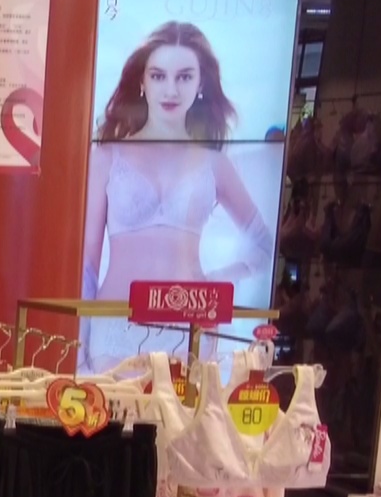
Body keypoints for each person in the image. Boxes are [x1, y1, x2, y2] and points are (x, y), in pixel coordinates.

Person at [82, 21, 272, 369]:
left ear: (201, 84)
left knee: (188, 407)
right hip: (115, 325)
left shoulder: (215, 164)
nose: (171, 89)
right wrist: (78, 351)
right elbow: (87, 266)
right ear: (142, 82)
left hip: (190, 328)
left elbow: (264, 246)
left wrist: (219, 278)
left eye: (184, 77)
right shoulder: (107, 157)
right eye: (158, 76)